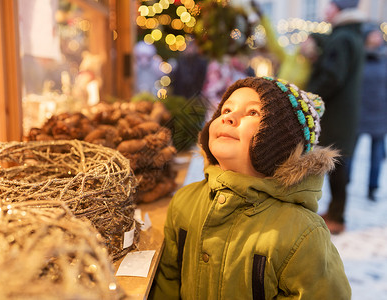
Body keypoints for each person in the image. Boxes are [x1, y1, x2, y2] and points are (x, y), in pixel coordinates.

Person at [149, 76, 351, 299]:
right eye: (225, 110)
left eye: (253, 112)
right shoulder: (185, 202)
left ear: (280, 141)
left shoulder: (303, 233)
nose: (229, 118)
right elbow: (167, 280)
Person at [306, 0, 365, 234]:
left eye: (329, 6)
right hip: (344, 113)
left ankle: (338, 218)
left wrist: (308, 95)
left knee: (337, 166)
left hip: (336, 114)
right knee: (338, 165)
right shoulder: (350, 36)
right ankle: (334, 211)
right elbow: (333, 50)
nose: (325, 11)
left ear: (340, 9)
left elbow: (332, 75)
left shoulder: (342, 39)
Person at [357, 24, 387, 200]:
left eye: (378, 34)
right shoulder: (359, 57)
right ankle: (345, 182)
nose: (377, 37)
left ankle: (372, 187)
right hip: (359, 111)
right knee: (350, 153)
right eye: (373, 34)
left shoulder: (385, 58)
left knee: (377, 154)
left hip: (380, 112)